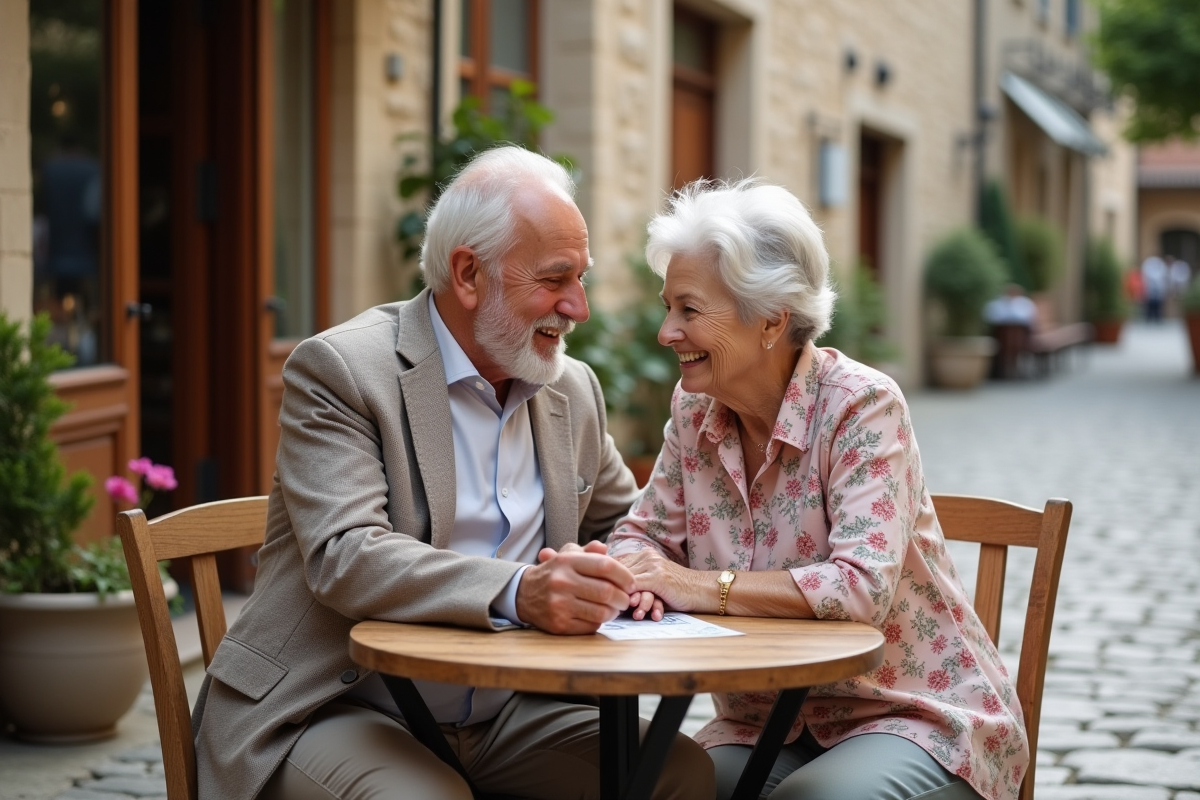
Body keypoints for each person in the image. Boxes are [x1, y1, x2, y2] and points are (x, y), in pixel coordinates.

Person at [192, 146, 715, 800]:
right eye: (555, 279)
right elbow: (345, 555)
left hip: (509, 710)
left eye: (581, 278)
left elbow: (629, 527)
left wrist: (637, 570)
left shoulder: (571, 388)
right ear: (469, 274)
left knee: (677, 774)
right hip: (337, 703)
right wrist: (520, 591)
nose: (578, 307)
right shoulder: (343, 370)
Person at [608, 179, 1028, 800]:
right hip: (763, 722)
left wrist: (694, 585)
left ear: (771, 319)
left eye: (689, 311)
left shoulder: (861, 406)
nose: (667, 331)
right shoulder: (695, 410)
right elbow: (638, 536)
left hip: (910, 714)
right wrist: (638, 578)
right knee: (654, 785)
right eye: (669, 307)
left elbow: (859, 588)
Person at [1141, 254, 1168, 322]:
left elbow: (1163, 276)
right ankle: (1150, 318)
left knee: (1158, 307)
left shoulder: (1160, 264)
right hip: (1150, 289)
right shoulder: (1149, 263)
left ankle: (1157, 318)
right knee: (1150, 306)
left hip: (1157, 289)